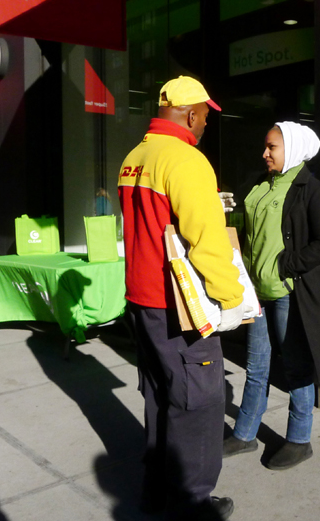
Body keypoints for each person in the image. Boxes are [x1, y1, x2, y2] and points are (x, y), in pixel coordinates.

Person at [118, 76, 247, 520]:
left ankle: (156, 493)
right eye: (206, 116)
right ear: (191, 114)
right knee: (198, 402)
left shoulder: (134, 157)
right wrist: (231, 297)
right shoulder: (186, 159)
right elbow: (206, 241)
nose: (207, 124)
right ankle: (192, 505)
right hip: (178, 307)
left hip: (142, 301)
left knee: (159, 397)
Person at [223, 122, 320, 470]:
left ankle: (300, 439)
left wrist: (285, 264)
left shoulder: (313, 190)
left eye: (272, 147)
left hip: (287, 293)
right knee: (256, 367)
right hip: (257, 293)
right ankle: (245, 434)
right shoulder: (260, 185)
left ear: (291, 148)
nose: (265, 153)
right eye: (265, 146)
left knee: (295, 368)